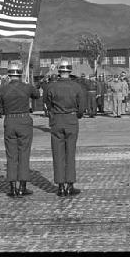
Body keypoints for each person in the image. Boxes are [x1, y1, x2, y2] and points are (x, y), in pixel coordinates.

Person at [0, 63, 41, 198]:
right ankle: (22, 187)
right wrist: (28, 86)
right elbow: (37, 95)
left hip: (9, 121)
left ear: (9, 74)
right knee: (24, 155)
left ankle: (12, 188)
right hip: (24, 120)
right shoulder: (26, 87)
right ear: (20, 74)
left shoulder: (2, 89)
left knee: (11, 156)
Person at [44, 59, 84, 197]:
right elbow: (82, 108)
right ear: (70, 71)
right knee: (70, 153)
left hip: (56, 120)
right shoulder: (76, 87)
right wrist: (76, 115)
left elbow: (47, 105)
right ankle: (70, 184)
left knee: (58, 154)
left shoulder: (50, 87)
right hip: (71, 119)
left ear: (59, 71)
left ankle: (60, 186)